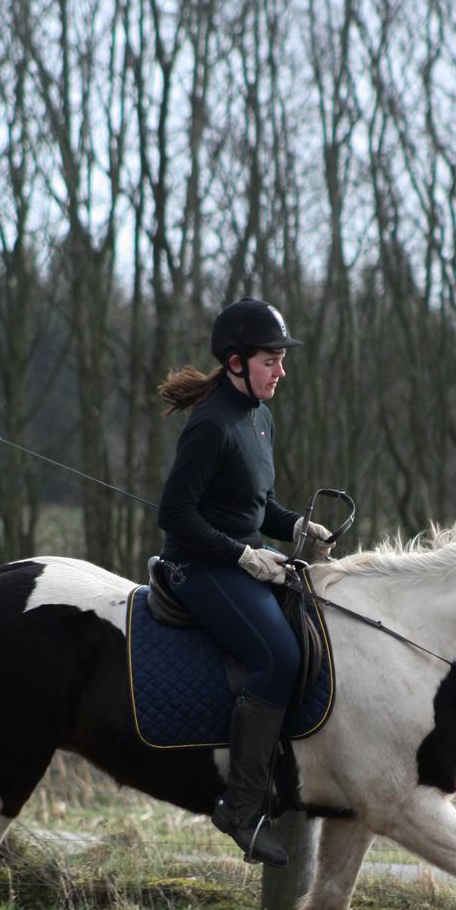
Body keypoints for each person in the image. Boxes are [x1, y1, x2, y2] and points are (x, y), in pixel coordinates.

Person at [156, 298, 332, 867]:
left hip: (235, 558)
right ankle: (240, 804)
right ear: (236, 362)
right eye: (271, 360)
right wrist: (244, 557)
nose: (281, 371)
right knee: (277, 658)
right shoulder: (210, 425)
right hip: (196, 567)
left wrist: (296, 525)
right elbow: (175, 516)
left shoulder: (259, 415)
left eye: (282, 360)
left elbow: (257, 505)